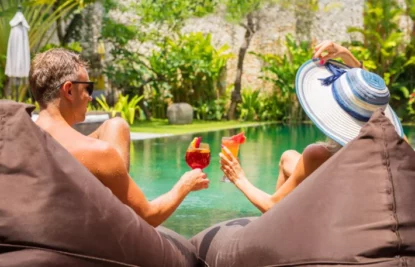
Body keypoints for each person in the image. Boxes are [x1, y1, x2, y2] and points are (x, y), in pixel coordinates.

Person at [220, 41, 406, 213]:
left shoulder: (320, 155)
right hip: (355, 200)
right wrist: (347, 55)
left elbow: (271, 206)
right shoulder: (397, 144)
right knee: (288, 158)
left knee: (281, 197)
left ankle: (275, 231)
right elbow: (369, 101)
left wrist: (238, 177)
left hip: (330, 216)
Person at [30, 48, 209, 227]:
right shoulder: (98, 154)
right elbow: (149, 216)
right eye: (87, 88)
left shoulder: (19, 140)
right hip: (93, 244)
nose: (90, 97)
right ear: (69, 90)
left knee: (117, 125)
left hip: (40, 235)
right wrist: (185, 185)